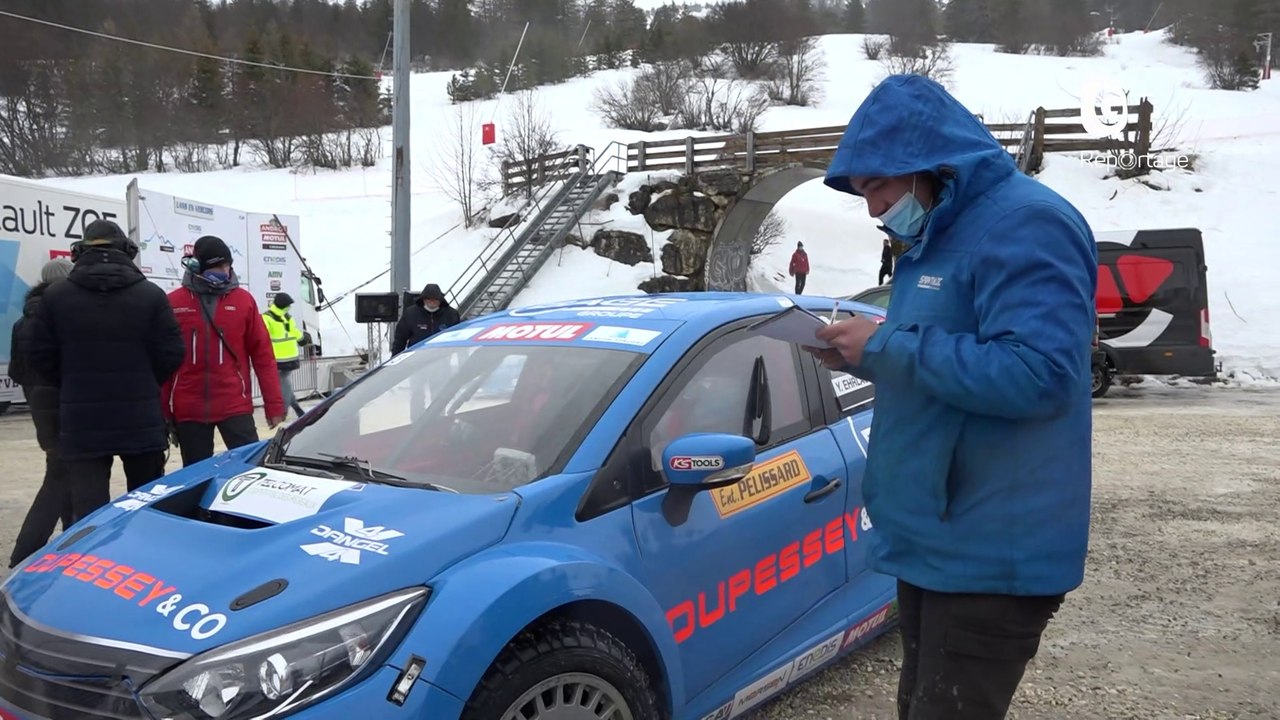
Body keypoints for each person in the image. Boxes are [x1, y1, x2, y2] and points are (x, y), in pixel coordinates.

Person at [813, 74, 1097, 720]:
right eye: (862, 193)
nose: (873, 208)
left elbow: (1040, 372)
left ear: (929, 163)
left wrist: (884, 349)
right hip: (940, 541)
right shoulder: (940, 235)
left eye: (877, 186)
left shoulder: (1027, 224)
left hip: (991, 550)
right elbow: (955, 347)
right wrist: (871, 347)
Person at [26, 221, 186, 520]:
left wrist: (71, 381)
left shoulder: (56, 297)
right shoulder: (150, 295)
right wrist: (145, 380)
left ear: (80, 252)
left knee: (88, 513)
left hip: (82, 419)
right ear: (126, 250)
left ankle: (90, 564)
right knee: (145, 509)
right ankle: (142, 563)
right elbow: (172, 352)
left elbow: (38, 355)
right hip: (140, 416)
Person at [162, 235, 285, 467]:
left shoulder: (244, 301)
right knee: (196, 478)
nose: (224, 271)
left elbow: (263, 356)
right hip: (189, 409)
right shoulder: (174, 303)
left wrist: (274, 404)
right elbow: (165, 361)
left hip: (234, 405)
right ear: (197, 266)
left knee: (250, 471)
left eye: (227, 265)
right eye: (218, 266)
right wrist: (163, 412)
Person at [7, 258, 75, 567]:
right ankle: (26, 551)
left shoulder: (23, 320)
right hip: (63, 405)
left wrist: (36, 398)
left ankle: (71, 539)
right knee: (59, 477)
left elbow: (16, 370)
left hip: (40, 409)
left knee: (64, 472)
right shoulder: (61, 315)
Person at [262, 292, 308, 418]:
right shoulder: (267, 318)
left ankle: (287, 409)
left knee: (284, 384)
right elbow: (263, 337)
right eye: (288, 305)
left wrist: (302, 339)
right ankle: (290, 409)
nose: (289, 307)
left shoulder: (287, 317)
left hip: (289, 356)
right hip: (277, 358)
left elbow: (292, 331)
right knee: (285, 383)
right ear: (282, 305)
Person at [391, 283, 462, 356]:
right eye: (429, 299)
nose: (432, 302)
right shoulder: (411, 314)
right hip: (416, 358)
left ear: (440, 300)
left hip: (442, 359)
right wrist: (394, 361)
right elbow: (400, 340)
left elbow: (459, 338)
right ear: (423, 299)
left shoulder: (451, 314)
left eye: (435, 299)